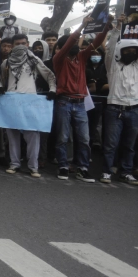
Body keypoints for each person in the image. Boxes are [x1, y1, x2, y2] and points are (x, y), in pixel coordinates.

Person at [99, 14, 138, 185]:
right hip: (114, 109)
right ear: (120, 51)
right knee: (111, 144)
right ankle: (107, 172)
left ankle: (126, 172)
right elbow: (110, 48)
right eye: (127, 50)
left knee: (130, 145)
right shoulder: (112, 66)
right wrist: (118, 26)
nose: (131, 53)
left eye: (134, 51)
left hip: (134, 109)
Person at [52, 15, 104, 182]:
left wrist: (107, 27)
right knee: (63, 137)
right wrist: (82, 26)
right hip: (64, 101)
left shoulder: (81, 58)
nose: (75, 46)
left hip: (80, 103)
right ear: (63, 47)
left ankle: (83, 168)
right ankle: (63, 166)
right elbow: (70, 42)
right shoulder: (59, 59)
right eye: (72, 44)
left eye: (76, 44)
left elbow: (96, 43)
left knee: (84, 138)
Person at [0, 44, 56, 177]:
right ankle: (14, 164)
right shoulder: (7, 62)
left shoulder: (34, 60)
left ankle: (33, 167)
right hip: (12, 102)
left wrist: (52, 89)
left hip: (30, 103)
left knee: (33, 135)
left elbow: (49, 75)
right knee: (12, 135)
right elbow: (2, 79)